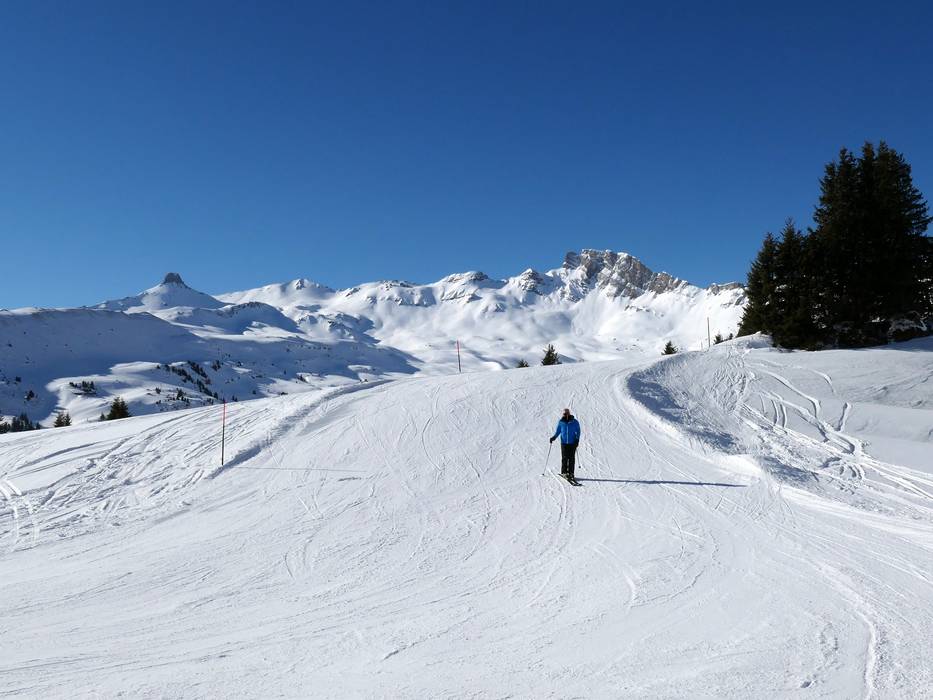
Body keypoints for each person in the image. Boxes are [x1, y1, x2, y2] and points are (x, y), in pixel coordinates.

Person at [550, 408, 581, 479]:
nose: (565, 415)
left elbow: (578, 431)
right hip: (564, 443)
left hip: (572, 443)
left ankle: (571, 473)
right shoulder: (561, 422)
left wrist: (577, 440)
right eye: (564, 414)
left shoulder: (574, 422)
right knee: (564, 458)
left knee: (571, 458)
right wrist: (554, 437)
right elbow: (558, 431)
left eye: (566, 413)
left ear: (569, 413)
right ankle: (564, 472)